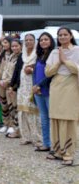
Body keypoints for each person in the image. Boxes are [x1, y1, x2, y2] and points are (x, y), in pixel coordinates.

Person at [45, 27, 79, 166]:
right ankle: (58, 150)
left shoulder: (77, 51)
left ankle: (69, 153)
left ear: (70, 36)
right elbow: (48, 72)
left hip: (71, 86)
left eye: (65, 34)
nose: (62, 37)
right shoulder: (54, 52)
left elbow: (76, 70)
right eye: (60, 35)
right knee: (56, 118)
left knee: (68, 119)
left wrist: (65, 61)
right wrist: (59, 61)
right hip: (56, 86)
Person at [16, 34, 41, 145]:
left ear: (35, 41)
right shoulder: (23, 55)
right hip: (23, 86)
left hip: (32, 84)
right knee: (23, 110)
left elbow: (41, 67)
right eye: (26, 40)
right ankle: (26, 136)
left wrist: (32, 68)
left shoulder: (38, 54)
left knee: (32, 110)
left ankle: (37, 137)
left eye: (31, 40)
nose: (28, 42)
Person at [32, 32, 55, 152]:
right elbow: (35, 73)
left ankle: (55, 145)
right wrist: (34, 86)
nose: (43, 42)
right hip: (38, 91)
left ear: (51, 41)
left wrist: (39, 85)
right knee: (44, 118)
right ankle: (47, 143)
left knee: (53, 119)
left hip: (49, 90)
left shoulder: (54, 55)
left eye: (46, 39)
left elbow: (51, 75)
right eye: (41, 40)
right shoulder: (39, 55)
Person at [6, 39, 23, 138]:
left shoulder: (22, 57)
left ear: (21, 46)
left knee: (17, 108)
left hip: (16, 86)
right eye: (13, 46)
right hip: (9, 85)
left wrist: (13, 86)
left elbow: (18, 74)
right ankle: (13, 127)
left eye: (16, 46)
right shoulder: (11, 56)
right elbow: (6, 70)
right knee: (11, 107)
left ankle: (18, 130)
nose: (14, 48)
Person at [0, 37, 13, 132]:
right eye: (3, 43)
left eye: (6, 42)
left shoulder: (15, 55)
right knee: (3, 104)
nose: (4, 44)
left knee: (11, 104)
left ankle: (12, 125)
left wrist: (8, 82)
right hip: (0, 83)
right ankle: (6, 123)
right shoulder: (0, 55)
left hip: (10, 83)